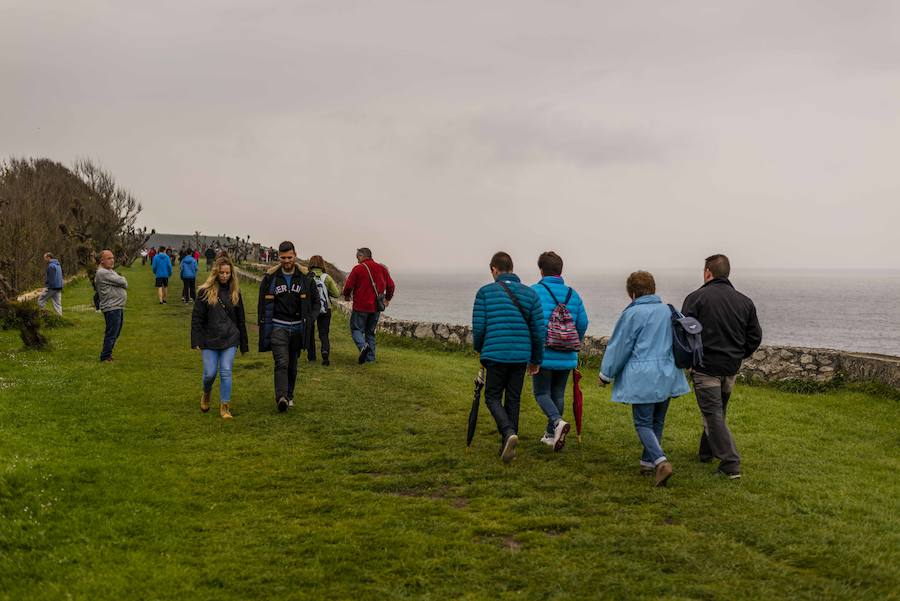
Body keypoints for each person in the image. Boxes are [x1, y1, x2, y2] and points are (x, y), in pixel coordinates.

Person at [599, 271, 689, 487]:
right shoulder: (669, 311)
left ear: (632, 293)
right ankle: (647, 463)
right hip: (668, 374)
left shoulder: (632, 314)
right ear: (653, 288)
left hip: (644, 377)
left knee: (642, 423)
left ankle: (660, 462)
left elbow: (620, 347)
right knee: (657, 421)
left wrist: (605, 374)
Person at [681, 254, 762, 480]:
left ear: (708, 272)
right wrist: (739, 354)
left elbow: (684, 333)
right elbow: (755, 336)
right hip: (731, 367)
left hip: (706, 366)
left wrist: (689, 360)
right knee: (718, 411)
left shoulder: (696, 298)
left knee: (713, 413)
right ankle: (706, 452)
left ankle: (730, 463)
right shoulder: (745, 302)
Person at [472, 252, 544, 464]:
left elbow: (480, 327)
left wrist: (479, 349)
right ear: (511, 268)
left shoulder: (485, 293)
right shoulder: (530, 294)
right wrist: (536, 359)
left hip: (495, 353)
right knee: (513, 398)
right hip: (520, 355)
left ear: (494, 269)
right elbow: (538, 332)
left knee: (492, 396)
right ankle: (508, 443)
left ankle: (508, 431)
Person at [530, 251, 588, 452]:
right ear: (560, 270)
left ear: (541, 270)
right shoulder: (573, 294)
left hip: (544, 353)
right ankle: (549, 435)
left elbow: (532, 323)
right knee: (558, 394)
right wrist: (572, 341)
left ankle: (556, 422)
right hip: (566, 353)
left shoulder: (534, 291)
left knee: (541, 392)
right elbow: (583, 322)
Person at [257, 241, 320, 412]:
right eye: (283, 257)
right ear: (278, 257)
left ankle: (290, 395)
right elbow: (262, 303)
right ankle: (281, 398)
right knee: (281, 362)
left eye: (289, 257)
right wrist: (262, 323)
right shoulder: (270, 278)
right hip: (278, 327)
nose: (286, 261)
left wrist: (311, 319)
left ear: (295, 255)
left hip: (299, 329)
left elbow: (316, 303)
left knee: (292, 364)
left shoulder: (306, 278)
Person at [191, 256, 249, 420]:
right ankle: (206, 392)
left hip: (230, 338)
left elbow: (241, 319)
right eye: (222, 272)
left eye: (227, 273)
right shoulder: (204, 292)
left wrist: (243, 343)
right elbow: (197, 318)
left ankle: (225, 406)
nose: (224, 276)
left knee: (226, 371)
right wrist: (196, 340)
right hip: (209, 339)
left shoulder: (235, 293)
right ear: (215, 272)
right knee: (209, 373)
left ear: (232, 274)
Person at [341, 247, 395, 364]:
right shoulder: (382, 268)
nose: (357, 261)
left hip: (361, 306)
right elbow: (391, 285)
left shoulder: (358, 269)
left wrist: (346, 295)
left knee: (356, 329)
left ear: (361, 256)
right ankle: (370, 359)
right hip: (376, 307)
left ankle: (363, 346)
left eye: (357, 258)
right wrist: (387, 299)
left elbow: (349, 286)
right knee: (370, 332)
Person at [306, 255, 341, 366]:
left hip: (311, 309)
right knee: (324, 333)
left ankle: (311, 356)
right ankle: (325, 351)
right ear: (322, 265)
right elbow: (337, 294)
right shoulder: (327, 277)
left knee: (310, 332)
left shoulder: (306, 277)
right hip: (326, 309)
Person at [94, 250, 128, 362]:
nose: (112, 260)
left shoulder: (109, 271)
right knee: (112, 333)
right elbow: (123, 282)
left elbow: (121, 280)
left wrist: (121, 279)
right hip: (112, 307)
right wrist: (122, 279)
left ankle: (108, 354)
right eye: (109, 258)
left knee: (115, 332)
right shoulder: (103, 272)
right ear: (102, 260)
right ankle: (105, 356)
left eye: (112, 258)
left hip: (117, 306)